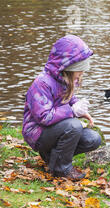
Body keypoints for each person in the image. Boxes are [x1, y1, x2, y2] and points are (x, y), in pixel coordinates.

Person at [22, 35, 101, 180]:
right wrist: (72, 111)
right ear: (68, 68)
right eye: (79, 71)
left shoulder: (64, 79)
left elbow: (68, 99)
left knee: (93, 139)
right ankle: (61, 170)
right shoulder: (42, 84)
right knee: (74, 126)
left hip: (56, 128)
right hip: (37, 132)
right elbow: (44, 117)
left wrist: (81, 111)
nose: (81, 74)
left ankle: (53, 157)